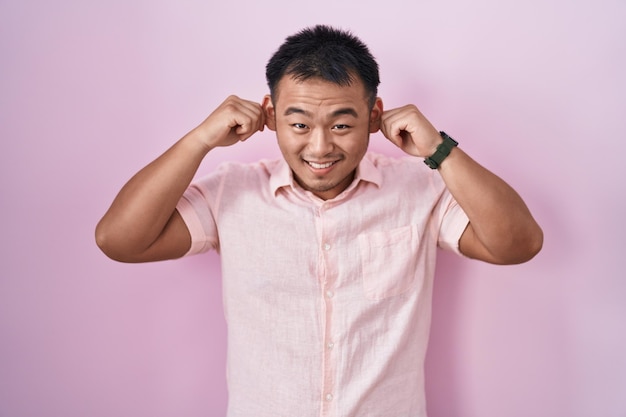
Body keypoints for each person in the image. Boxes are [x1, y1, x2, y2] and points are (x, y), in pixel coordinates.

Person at [96, 25, 542, 417]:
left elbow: (517, 244)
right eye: (300, 124)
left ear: (374, 116)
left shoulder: (418, 189)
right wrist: (199, 140)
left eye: (342, 125)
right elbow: (120, 241)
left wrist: (437, 150)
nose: (321, 146)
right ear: (270, 116)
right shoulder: (231, 192)